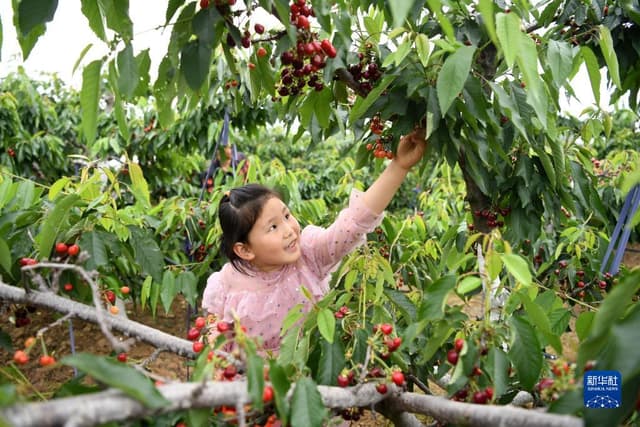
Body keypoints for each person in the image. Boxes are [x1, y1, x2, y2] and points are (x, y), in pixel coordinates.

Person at [201, 127, 426, 353]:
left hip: (306, 381)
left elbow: (351, 225)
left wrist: (399, 166)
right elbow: (213, 334)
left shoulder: (308, 256)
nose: (289, 230)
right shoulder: (225, 284)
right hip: (247, 384)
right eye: (273, 227)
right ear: (245, 250)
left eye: (287, 216)